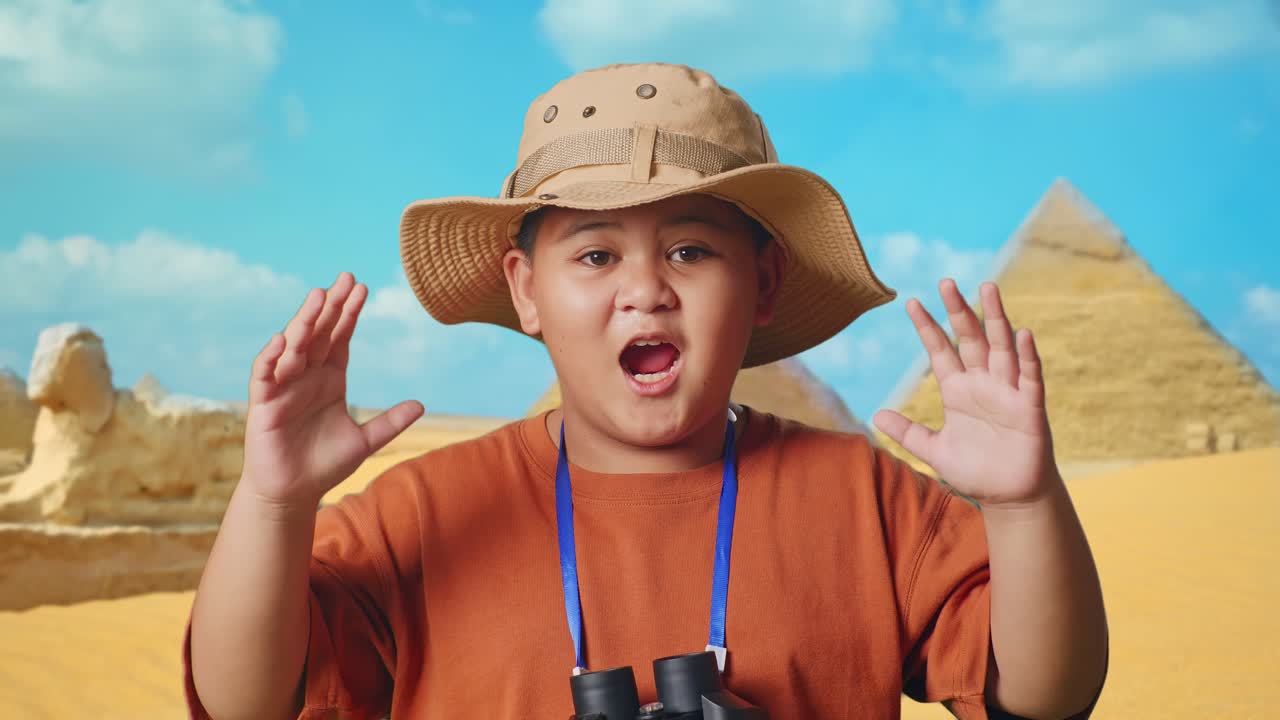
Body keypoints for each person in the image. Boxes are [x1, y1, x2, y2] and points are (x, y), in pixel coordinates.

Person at [183, 62, 1108, 720]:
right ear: (525, 290)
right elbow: (243, 701)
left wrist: (1025, 507)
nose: (645, 287)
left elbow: (1044, 694)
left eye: (691, 249)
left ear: (766, 285)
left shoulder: (865, 499)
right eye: (594, 252)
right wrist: (273, 502)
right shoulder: (420, 514)